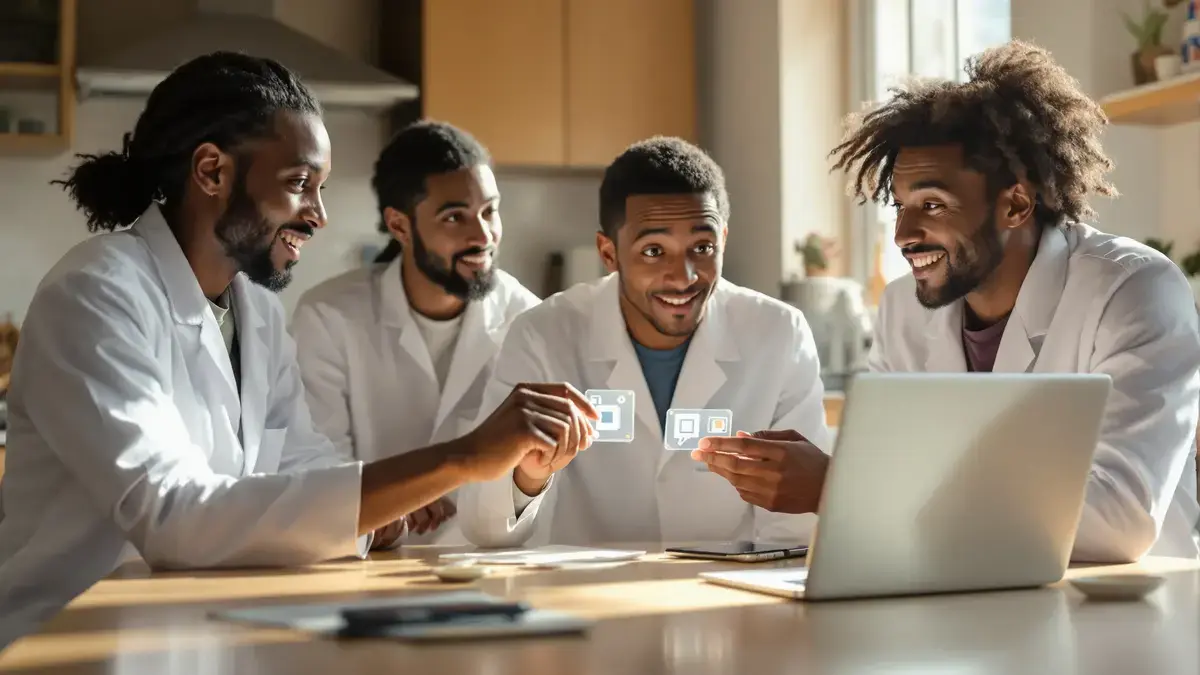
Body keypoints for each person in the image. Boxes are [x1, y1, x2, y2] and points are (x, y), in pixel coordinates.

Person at [0, 52, 594, 647]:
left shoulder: (255, 311)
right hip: (68, 640)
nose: (319, 215)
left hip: (197, 634)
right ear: (211, 171)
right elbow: (172, 516)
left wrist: (378, 516)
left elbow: (302, 465)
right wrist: (461, 458)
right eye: (299, 184)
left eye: (321, 188)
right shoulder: (97, 293)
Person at [694, 40, 1200, 563]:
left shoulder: (1133, 290)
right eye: (900, 207)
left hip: (1119, 603)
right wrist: (844, 484)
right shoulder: (903, 310)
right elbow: (885, 482)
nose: (904, 235)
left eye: (933, 205)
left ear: (1016, 204)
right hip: (957, 589)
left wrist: (837, 487)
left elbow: (1120, 519)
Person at [457, 136, 831, 547]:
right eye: (654, 251)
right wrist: (528, 476)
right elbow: (483, 529)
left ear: (723, 239)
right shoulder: (543, 334)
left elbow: (794, 532)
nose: (684, 276)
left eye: (702, 247)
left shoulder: (779, 334)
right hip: (585, 584)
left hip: (726, 581)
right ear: (608, 253)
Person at [291, 121, 539, 546]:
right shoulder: (329, 317)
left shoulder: (528, 319)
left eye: (489, 211)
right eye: (454, 217)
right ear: (400, 226)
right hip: (365, 562)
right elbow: (317, 468)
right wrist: (395, 498)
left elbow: (530, 477)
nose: (482, 236)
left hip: (485, 560)